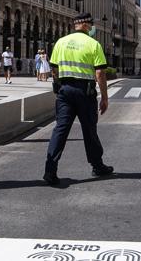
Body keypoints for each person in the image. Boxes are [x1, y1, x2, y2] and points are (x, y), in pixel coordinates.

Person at [43, 12, 114, 186]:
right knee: (89, 130)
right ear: (85, 25)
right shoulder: (93, 44)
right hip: (85, 92)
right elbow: (100, 72)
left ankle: (50, 170)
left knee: (60, 130)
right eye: (91, 25)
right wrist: (104, 97)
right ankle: (97, 166)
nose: (92, 28)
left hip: (65, 91)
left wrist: (58, 85)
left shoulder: (61, 42)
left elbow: (54, 69)